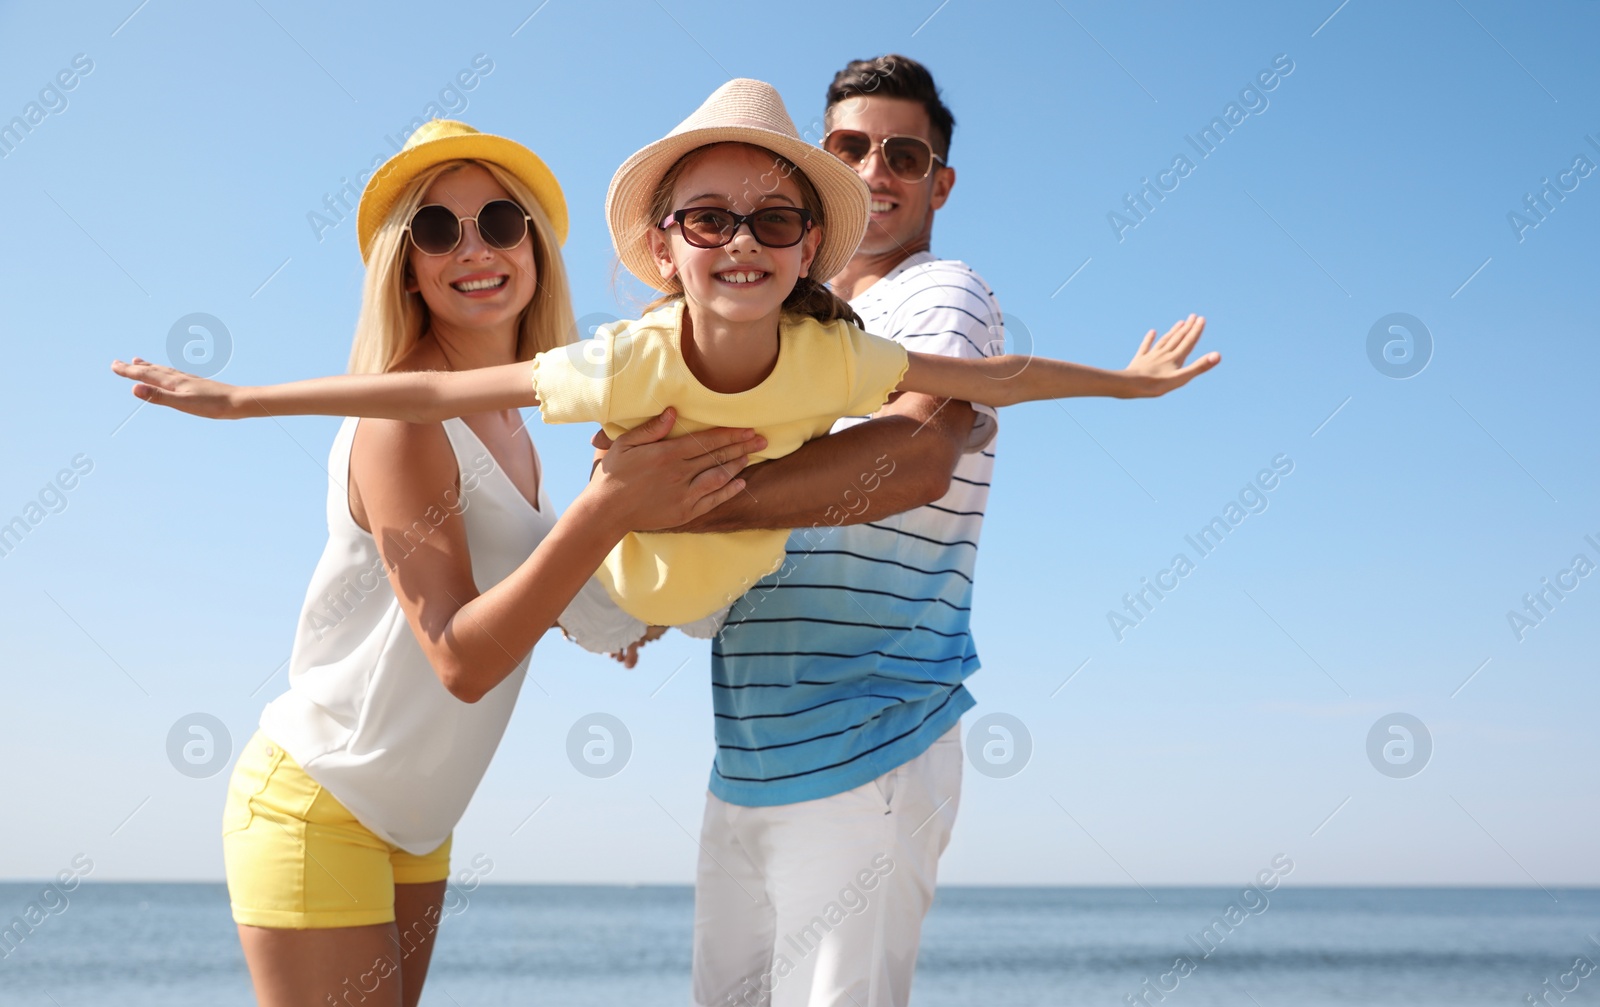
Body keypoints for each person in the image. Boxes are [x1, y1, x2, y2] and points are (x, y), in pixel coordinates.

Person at [124, 119, 761, 1007]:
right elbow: (459, 659)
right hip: (319, 806)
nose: (474, 249)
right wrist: (603, 513)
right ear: (405, 267)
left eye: (500, 222)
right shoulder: (400, 415)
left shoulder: (516, 423)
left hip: (420, 823)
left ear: (535, 252)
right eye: (437, 231)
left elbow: (531, 588)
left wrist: (618, 608)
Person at [113, 80, 1217, 636]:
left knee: (960, 418)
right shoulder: (627, 362)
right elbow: (437, 387)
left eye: (774, 224)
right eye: (707, 221)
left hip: (714, 598)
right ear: (663, 247)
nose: (741, 244)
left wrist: (1130, 384)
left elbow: (997, 380)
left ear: (808, 253)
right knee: (528, 540)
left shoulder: (838, 356)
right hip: (615, 593)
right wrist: (243, 397)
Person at [684, 56, 1048, 1007]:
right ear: (818, 168)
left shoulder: (944, 295)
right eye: (848, 147)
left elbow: (913, 454)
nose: (876, 169)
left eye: (905, 153)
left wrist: (694, 498)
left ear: (939, 182)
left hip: (871, 739)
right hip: (747, 747)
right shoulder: (788, 317)